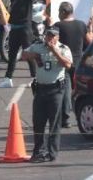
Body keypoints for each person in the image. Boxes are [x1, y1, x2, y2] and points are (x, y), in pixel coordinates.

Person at [21, 27, 72, 163]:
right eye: (48, 36)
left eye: (53, 36)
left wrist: (54, 51)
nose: (50, 38)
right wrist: (35, 56)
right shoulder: (38, 46)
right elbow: (23, 55)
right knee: (38, 122)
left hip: (56, 89)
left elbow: (67, 64)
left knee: (54, 123)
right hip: (40, 89)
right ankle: (38, 152)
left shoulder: (63, 48)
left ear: (57, 38)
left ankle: (52, 153)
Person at [0, 0, 50, 88]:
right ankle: (8, 78)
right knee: (12, 54)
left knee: (29, 54)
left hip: (26, 29)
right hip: (14, 28)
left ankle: (35, 77)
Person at [53, 1, 93, 129]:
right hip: (79, 62)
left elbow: (50, 41)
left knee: (65, 90)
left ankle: (65, 118)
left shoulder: (58, 26)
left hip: (64, 62)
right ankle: (80, 114)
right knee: (79, 89)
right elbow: (90, 41)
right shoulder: (81, 25)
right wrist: (90, 27)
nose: (58, 14)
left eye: (59, 11)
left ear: (63, 12)